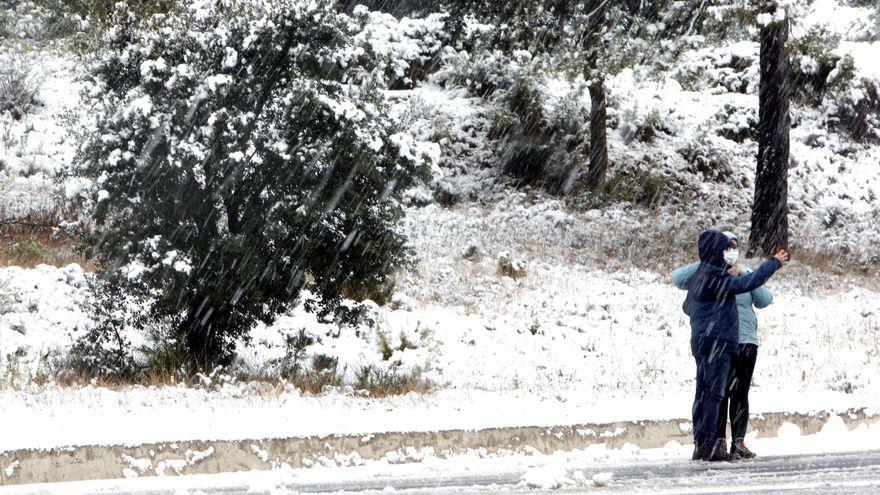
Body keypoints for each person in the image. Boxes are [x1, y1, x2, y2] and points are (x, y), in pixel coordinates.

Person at [679, 229, 787, 462]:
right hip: (718, 340)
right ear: (716, 251)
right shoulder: (715, 276)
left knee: (702, 393)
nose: (729, 253)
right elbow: (749, 282)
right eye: (725, 249)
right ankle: (711, 444)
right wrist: (773, 263)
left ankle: (701, 444)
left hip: (702, 340)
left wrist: (703, 316)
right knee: (714, 394)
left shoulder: (700, 275)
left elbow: (687, 307)